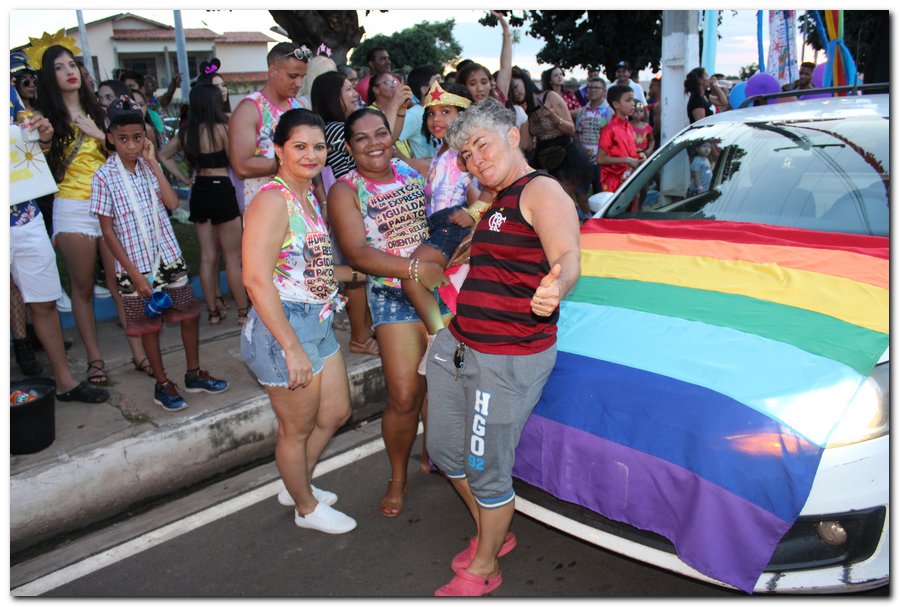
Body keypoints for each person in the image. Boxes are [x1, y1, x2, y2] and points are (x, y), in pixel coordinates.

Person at [426, 97, 581, 596]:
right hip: (460, 345)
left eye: (482, 145)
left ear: (513, 137)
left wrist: (557, 286)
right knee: (446, 452)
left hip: (507, 357)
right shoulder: (496, 198)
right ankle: (493, 529)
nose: (474, 159)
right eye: (466, 155)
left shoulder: (540, 191)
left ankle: (486, 563)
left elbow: (568, 256)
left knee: (486, 468)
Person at [328, 108, 451, 518]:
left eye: (381, 133)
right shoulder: (345, 190)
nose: (374, 143)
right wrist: (414, 269)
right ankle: (397, 477)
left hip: (438, 291)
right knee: (403, 395)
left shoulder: (416, 173)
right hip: (392, 297)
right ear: (348, 147)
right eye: (361, 138)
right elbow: (358, 253)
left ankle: (435, 454)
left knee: (443, 382)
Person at [241, 108, 356, 534]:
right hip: (282, 329)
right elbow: (255, 278)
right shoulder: (272, 199)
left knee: (337, 412)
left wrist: (374, 271)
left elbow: (308, 265)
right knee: (297, 427)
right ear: (278, 150)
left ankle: (296, 484)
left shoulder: (306, 193)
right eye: (300, 146)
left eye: (319, 146)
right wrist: (290, 346)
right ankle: (305, 508)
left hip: (318, 321)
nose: (311, 155)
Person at [91, 95, 230, 410]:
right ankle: (163, 384)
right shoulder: (103, 177)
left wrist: (154, 163)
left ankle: (194, 373)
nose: (131, 145)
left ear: (145, 137)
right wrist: (134, 274)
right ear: (110, 138)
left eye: (137, 137)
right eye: (123, 138)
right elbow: (108, 231)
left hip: (167, 256)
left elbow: (170, 203)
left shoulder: (147, 167)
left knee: (190, 315)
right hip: (134, 265)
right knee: (149, 326)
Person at [34, 40, 148, 384]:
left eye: (71, 64)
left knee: (121, 285)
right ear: (48, 76)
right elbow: (43, 168)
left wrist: (99, 134)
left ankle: (140, 353)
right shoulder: (44, 119)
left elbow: (129, 154)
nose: (68, 72)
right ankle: (95, 360)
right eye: (58, 67)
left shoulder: (102, 112)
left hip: (110, 206)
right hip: (72, 208)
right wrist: (46, 139)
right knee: (82, 289)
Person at [9, 78, 109, 403]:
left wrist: (46, 139)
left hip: (25, 215)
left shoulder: (10, 95)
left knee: (44, 302)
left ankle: (65, 382)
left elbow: (31, 151)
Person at [401, 81, 488, 358]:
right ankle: (448, 332)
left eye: (446, 112)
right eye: (431, 113)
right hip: (438, 226)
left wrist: (472, 214)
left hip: (450, 226)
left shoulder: (466, 150)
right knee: (439, 286)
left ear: (463, 115)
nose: (436, 119)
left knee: (412, 278)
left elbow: (493, 188)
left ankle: (439, 336)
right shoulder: (441, 151)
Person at [160, 84, 251, 326]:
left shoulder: (186, 133)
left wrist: (184, 178)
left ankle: (212, 312)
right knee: (232, 258)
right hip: (222, 188)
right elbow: (238, 162)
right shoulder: (223, 128)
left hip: (198, 188)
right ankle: (242, 312)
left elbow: (162, 155)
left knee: (208, 257)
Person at [310, 70, 377, 357]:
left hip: (349, 205)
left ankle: (364, 330)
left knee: (360, 271)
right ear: (332, 97)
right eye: (348, 88)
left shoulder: (330, 129)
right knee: (357, 272)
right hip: (351, 208)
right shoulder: (337, 129)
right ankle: (360, 337)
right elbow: (377, 142)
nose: (355, 93)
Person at [229, 42, 308, 204]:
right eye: (293, 76)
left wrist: (322, 202)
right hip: (266, 209)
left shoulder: (298, 106)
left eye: (302, 77)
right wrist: (292, 163)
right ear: (273, 70)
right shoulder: (249, 109)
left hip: (302, 203)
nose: (299, 83)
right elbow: (241, 166)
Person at [519, 67, 592, 209]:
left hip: (565, 152)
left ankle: (584, 221)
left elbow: (570, 128)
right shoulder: (523, 108)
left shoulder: (549, 96)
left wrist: (553, 117)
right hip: (543, 157)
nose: (515, 92)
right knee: (551, 201)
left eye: (516, 87)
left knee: (570, 196)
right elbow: (527, 144)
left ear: (526, 84)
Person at [455, 11, 512, 104]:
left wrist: (505, 29)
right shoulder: (457, 111)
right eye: (472, 84)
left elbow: (505, 66)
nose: (480, 89)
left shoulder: (497, 101)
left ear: (491, 84)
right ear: (463, 86)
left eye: (484, 82)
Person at [574, 76, 612, 213]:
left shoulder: (609, 111)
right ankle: (587, 217)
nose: (592, 90)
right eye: (590, 87)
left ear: (604, 91)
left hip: (602, 161)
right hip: (584, 159)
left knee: (601, 193)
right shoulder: (582, 111)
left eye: (596, 87)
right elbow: (577, 134)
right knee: (580, 190)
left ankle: (601, 218)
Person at [597, 84, 644, 193]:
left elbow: (627, 150)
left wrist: (640, 154)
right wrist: (627, 160)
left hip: (628, 180)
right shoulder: (609, 129)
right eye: (628, 100)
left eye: (633, 100)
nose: (633, 103)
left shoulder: (628, 126)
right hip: (613, 184)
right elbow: (601, 159)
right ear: (616, 104)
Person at [365, 71, 415, 158]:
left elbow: (402, 138)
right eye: (388, 83)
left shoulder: (399, 108)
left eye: (394, 82)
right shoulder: (369, 113)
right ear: (376, 90)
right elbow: (386, 139)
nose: (393, 86)